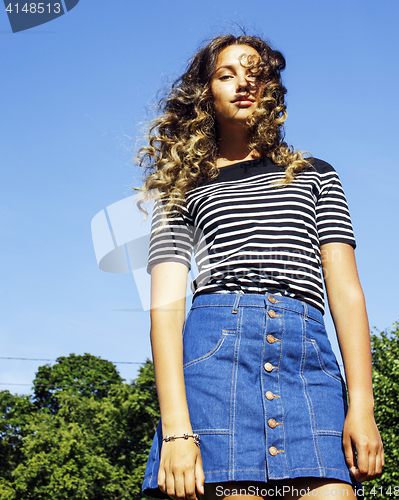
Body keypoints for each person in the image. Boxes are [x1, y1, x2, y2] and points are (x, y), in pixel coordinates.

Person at [136, 34, 384, 500]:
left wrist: (362, 405)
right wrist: (176, 431)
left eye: (257, 74)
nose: (243, 84)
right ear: (203, 93)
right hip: (216, 364)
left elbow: (346, 292)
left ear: (272, 90)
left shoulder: (314, 173)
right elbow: (165, 309)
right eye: (226, 75)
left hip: (308, 362)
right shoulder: (180, 188)